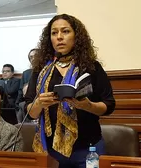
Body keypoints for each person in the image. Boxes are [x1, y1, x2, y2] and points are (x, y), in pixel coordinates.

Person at [24, 14, 115, 168]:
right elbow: (30, 112)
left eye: (65, 31)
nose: (59, 37)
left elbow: (109, 105)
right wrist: (39, 103)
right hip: (51, 151)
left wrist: (87, 106)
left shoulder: (91, 66)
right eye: (54, 33)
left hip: (88, 148)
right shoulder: (41, 69)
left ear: (76, 36)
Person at [16, 49, 38, 122]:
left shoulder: (47, 70)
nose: (33, 59)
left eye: (35, 56)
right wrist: (18, 104)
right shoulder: (26, 73)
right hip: (27, 104)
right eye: (31, 57)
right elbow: (20, 91)